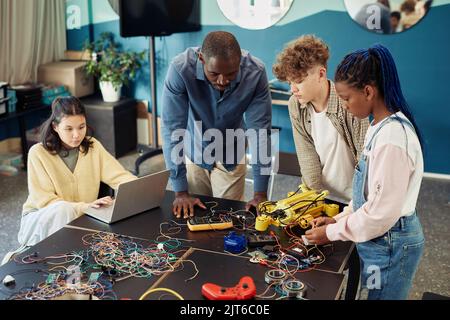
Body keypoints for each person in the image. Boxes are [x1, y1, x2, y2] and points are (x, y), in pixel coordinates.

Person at [305, 44, 425, 300]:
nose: (344, 105)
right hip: (378, 239)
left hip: (391, 243)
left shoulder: (392, 139)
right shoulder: (377, 127)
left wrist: (330, 234)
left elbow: (381, 214)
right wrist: (338, 219)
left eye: (346, 98)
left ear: (368, 91)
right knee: (372, 293)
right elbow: (369, 195)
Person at [2, 96, 136, 265]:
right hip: (41, 221)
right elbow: (46, 202)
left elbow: (120, 176)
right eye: (69, 129)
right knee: (63, 210)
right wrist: (84, 207)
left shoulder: (92, 146)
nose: (76, 135)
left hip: (80, 217)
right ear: (55, 127)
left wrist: (140, 189)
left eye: (81, 127)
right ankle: (21, 254)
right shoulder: (38, 153)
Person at [161, 31, 272, 219]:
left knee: (228, 219)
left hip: (231, 152)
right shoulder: (180, 69)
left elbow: (260, 132)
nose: (222, 81)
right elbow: (172, 129)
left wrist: (260, 193)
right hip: (194, 150)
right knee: (194, 219)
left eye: (231, 73)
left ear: (240, 62)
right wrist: (180, 191)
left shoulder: (255, 72)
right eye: (214, 73)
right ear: (201, 59)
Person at [272, 35, 369, 204]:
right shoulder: (295, 105)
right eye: (289, 83)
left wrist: (358, 206)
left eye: (299, 81)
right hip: (323, 196)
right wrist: (314, 201)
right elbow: (306, 156)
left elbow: (365, 159)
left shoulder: (348, 101)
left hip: (356, 198)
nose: (293, 89)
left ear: (321, 74)